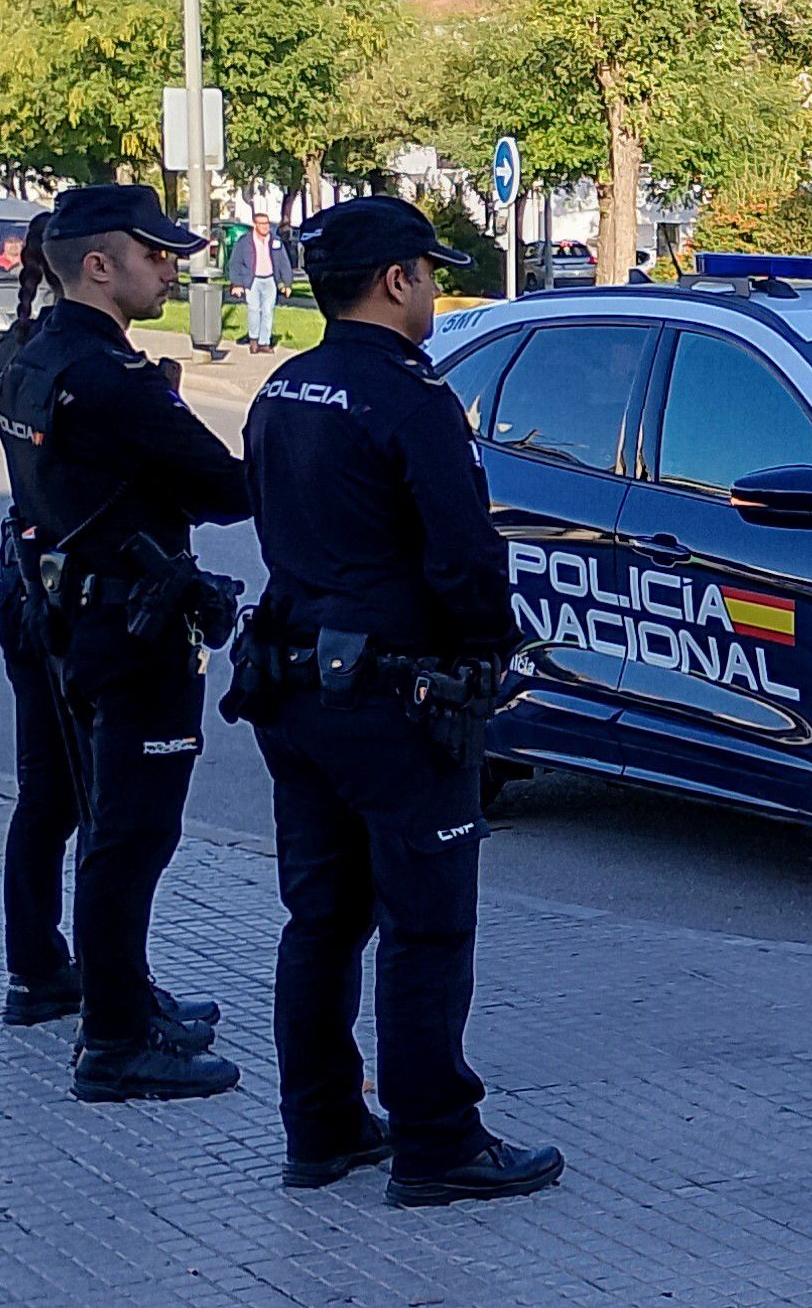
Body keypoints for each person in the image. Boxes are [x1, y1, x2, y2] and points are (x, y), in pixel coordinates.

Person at [236, 195, 562, 1207]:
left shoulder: (283, 386)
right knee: (426, 926)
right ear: (395, 281)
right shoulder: (415, 401)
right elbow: (466, 559)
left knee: (321, 918)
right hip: (397, 702)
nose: (435, 288)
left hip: (296, 688)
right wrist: (491, 654)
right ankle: (437, 1142)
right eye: (429, 271)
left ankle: (323, 1125)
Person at [0, 183, 251, 1103]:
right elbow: (224, 488)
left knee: (77, 810)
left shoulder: (29, 353)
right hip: (126, 624)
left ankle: (95, 990)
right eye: (156, 254)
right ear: (99, 264)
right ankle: (114, 1038)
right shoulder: (110, 379)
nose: (172, 267)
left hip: (57, 610)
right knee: (131, 834)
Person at [0, 215, 81, 1026]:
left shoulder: (15, 350)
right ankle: (107, 988)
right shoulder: (69, 360)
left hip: (21, 585)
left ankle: (37, 965)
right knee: (93, 800)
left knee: (45, 794)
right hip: (67, 602)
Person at [229, 211, 299, 355]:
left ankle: (264, 342)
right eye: (262, 224)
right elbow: (235, 262)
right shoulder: (244, 242)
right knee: (254, 310)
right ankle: (254, 340)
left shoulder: (275, 241)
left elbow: (284, 263)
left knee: (268, 311)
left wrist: (287, 283)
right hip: (252, 281)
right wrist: (236, 283)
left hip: (270, 280)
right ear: (255, 225)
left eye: (267, 223)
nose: (266, 227)